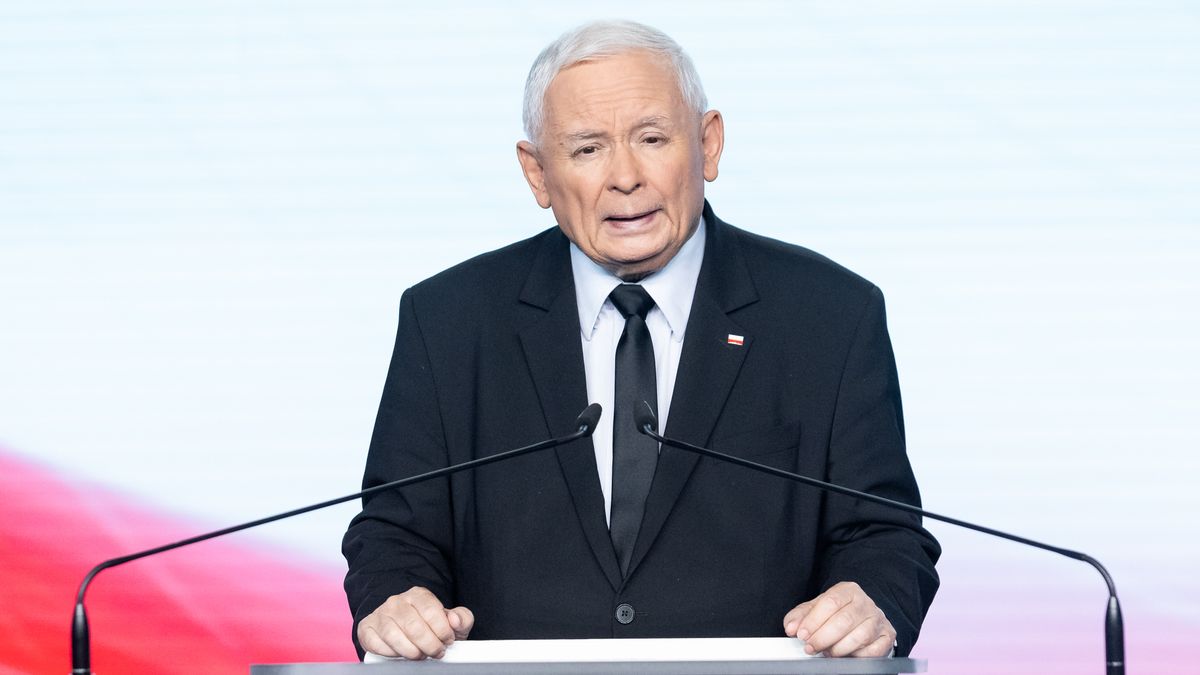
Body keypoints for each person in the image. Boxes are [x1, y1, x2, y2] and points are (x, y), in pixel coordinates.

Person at [342, 19, 939, 662]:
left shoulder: (829, 315)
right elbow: (393, 534)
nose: (625, 177)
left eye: (652, 138)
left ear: (708, 145)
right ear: (538, 174)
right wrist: (396, 599)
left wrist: (868, 598)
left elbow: (884, 536)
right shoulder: (450, 320)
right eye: (587, 149)